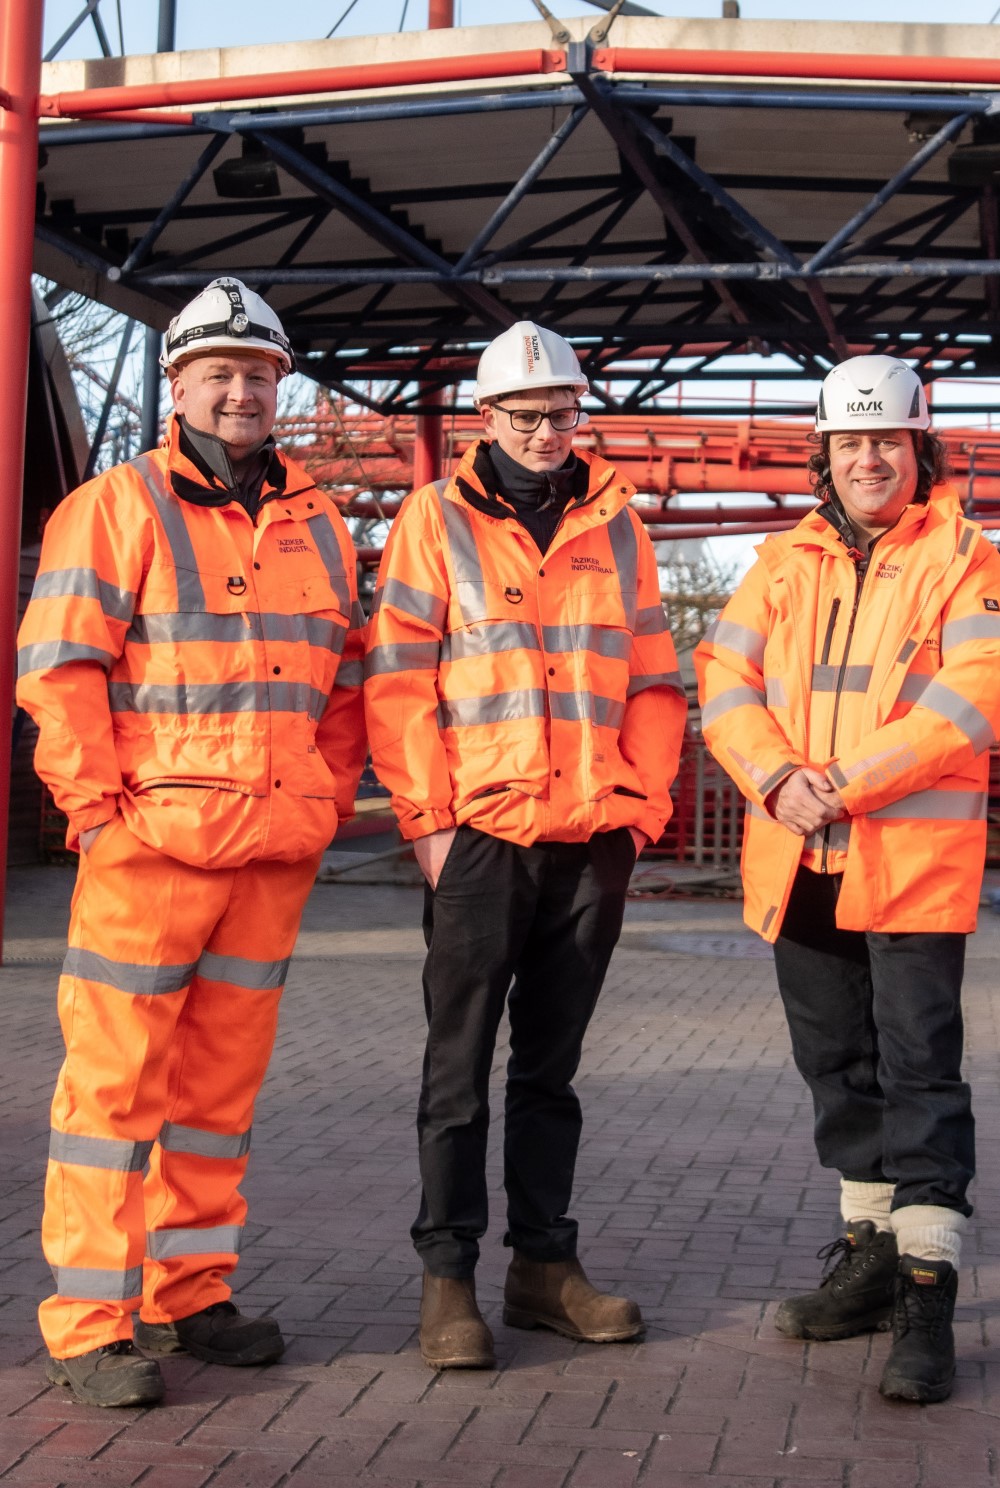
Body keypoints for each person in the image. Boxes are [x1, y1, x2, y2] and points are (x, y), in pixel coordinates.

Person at [17, 278, 366, 1408]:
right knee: (115, 1092)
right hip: (150, 847)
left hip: (268, 850)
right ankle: (90, 1321)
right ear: (178, 387)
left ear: (280, 387)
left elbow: (346, 683)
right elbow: (58, 671)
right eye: (219, 372)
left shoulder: (316, 521)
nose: (240, 391)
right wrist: (95, 813)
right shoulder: (116, 505)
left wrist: (325, 794)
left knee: (217, 1094)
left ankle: (188, 1291)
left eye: (258, 375)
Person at [364, 320, 687, 1369]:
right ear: (486, 419)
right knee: (455, 1070)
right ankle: (447, 1280)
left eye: (560, 412)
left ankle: (544, 1268)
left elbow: (651, 683)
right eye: (523, 414)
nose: (545, 430)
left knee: (551, 1072)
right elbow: (399, 681)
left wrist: (637, 814)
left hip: (590, 836)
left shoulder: (619, 528)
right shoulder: (433, 521)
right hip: (480, 839)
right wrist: (429, 822)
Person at [695, 354, 1000, 1404]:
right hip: (799, 862)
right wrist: (778, 776)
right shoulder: (781, 563)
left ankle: (926, 1299)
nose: (868, 457)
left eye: (887, 439)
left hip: (906, 864)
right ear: (823, 455)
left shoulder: (966, 558)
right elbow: (723, 676)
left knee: (920, 1078)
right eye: (849, 442)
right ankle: (869, 1264)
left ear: (919, 446)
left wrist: (841, 783)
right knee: (839, 1071)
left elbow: (973, 697)